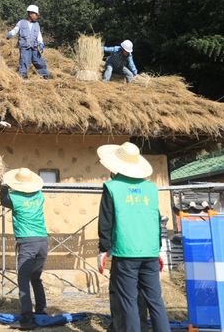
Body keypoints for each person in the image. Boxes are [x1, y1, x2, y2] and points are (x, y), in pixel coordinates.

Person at [96, 142, 170, 332]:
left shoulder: (112, 187)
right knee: (155, 301)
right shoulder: (151, 189)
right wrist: (157, 247)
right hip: (150, 252)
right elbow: (155, 219)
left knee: (128, 302)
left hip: (126, 253)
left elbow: (106, 221)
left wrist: (103, 249)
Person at [0, 168, 48, 330]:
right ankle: (41, 310)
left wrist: (3, 185)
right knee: (36, 277)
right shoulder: (39, 196)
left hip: (28, 243)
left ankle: (27, 319)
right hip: (42, 241)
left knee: (23, 279)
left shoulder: (14, 199)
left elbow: (3, 200)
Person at [6, 5, 50, 79]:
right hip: (24, 47)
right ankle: (23, 76)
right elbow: (15, 30)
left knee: (38, 61)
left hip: (34, 47)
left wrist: (41, 43)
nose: (37, 16)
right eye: (36, 14)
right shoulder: (21, 22)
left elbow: (39, 35)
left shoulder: (37, 24)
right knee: (24, 61)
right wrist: (10, 34)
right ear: (30, 14)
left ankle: (45, 75)